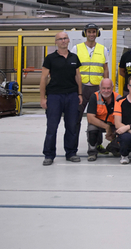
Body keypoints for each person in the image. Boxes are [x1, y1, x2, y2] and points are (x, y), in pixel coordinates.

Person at [40, 32, 83, 166]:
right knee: (52, 127)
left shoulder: (74, 57)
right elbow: (43, 78)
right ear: (56, 42)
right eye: (60, 39)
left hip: (71, 95)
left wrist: (80, 94)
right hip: (54, 96)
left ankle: (71, 153)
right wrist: (42, 98)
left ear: (68, 40)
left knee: (71, 126)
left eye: (65, 38)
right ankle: (49, 154)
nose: (63, 41)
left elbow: (78, 77)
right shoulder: (50, 58)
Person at [72, 23, 109, 104]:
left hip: (97, 86)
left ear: (97, 33)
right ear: (85, 33)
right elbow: (72, 69)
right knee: (77, 111)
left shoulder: (103, 49)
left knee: (99, 112)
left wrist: (106, 86)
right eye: (89, 32)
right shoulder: (76, 48)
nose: (91, 34)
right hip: (81, 86)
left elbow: (105, 69)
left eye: (94, 32)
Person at [85, 78, 119, 161]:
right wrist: (107, 127)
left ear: (112, 88)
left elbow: (122, 119)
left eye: (108, 88)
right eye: (103, 88)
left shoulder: (118, 98)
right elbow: (90, 118)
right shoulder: (94, 97)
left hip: (114, 124)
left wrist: (115, 133)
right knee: (91, 129)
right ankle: (92, 152)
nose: (106, 91)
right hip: (99, 123)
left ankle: (113, 147)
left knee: (122, 132)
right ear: (99, 88)